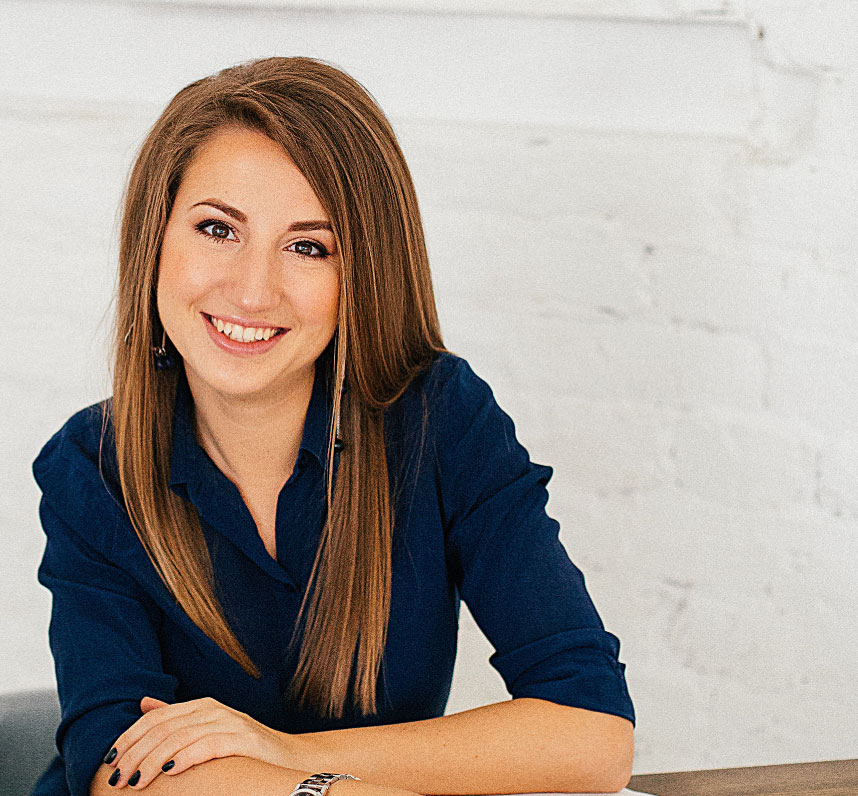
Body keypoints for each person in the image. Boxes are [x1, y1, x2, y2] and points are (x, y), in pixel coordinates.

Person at [31, 56, 635, 796]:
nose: (253, 290)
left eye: (308, 246)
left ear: (365, 276)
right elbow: (124, 775)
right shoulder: (93, 467)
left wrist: (280, 752)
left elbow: (590, 734)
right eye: (218, 229)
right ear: (154, 241)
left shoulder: (440, 421)